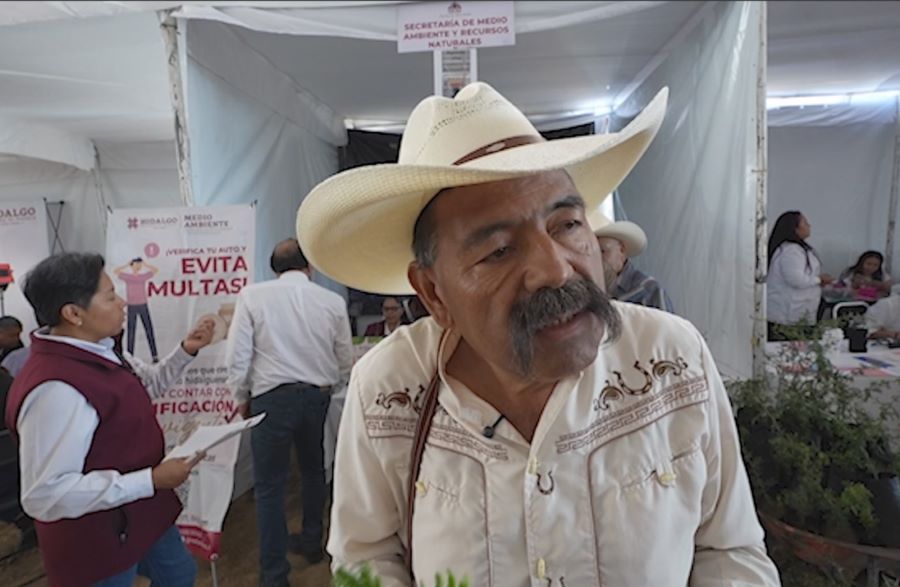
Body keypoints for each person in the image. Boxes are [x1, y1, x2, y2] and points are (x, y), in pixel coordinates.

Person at [297, 83, 780, 585]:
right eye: (499, 251)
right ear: (434, 293)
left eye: (567, 224)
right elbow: (366, 557)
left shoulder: (671, 359)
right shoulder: (387, 390)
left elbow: (730, 549)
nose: (555, 270)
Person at [4, 252, 214, 587]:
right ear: (73, 313)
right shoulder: (55, 388)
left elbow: (147, 385)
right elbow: (45, 494)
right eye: (110, 296)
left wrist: (186, 350)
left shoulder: (102, 348)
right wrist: (150, 480)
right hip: (96, 537)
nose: (122, 303)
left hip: (143, 514)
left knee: (179, 575)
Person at [225, 238, 353, 586]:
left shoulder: (253, 296)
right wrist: (336, 385)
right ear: (308, 267)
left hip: (271, 398)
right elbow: (344, 353)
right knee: (314, 471)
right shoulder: (331, 301)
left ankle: (274, 573)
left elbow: (237, 354)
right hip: (316, 396)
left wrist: (241, 393)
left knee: (270, 486)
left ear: (273, 269)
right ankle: (313, 543)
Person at [587, 211, 674, 312]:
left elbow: (668, 327)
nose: (597, 260)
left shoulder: (648, 291)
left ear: (622, 250)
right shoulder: (588, 290)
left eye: (602, 251)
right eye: (590, 254)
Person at [767, 211, 832, 340]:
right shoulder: (791, 251)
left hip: (799, 312)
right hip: (788, 315)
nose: (809, 226)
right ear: (795, 228)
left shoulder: (798, 249)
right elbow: (796, 280)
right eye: (805, 223)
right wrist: (819, 279)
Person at [114, 257, 160, 361]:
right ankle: (130, 356)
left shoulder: (142, 276)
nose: (138, 266)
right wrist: (127, 264)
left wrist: (145, 264)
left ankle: (154, 355)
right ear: (132, 265)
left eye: (140, 265)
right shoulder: (128, 277)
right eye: (136, 264)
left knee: (149, 329)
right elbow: (115, 271)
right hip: (132, 305)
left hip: (143, 305)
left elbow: (155, 270)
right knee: (131, 330)